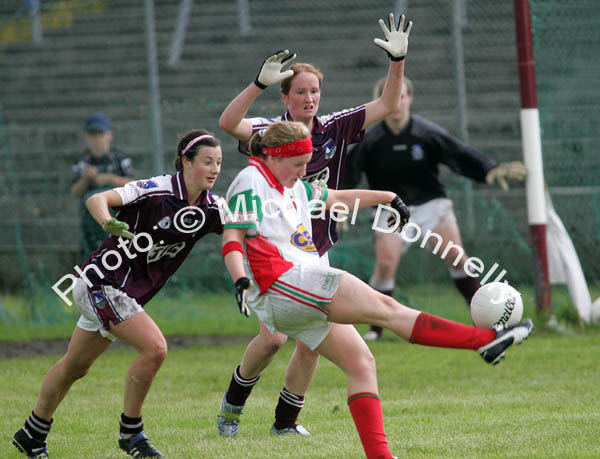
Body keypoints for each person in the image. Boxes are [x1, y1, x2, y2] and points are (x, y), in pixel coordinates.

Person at [221, 120, 533, 459]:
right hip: (282, 284)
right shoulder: (251, 181)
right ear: (276, 156)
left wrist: (386, 197)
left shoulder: (291, 185)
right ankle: (485, 341)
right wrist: (240, 279)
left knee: (362, 363)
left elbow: (335, 198)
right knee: (386, 309)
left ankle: (380, 456)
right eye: (297, 164)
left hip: (298, 284)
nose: (302, 171)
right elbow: (233, 238)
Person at [216, 12, 413, 437]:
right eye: (301, 91)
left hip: (315, 249)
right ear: (285, 96)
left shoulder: (335, 128)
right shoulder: (270, 134)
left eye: (315, 91)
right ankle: (231, 407)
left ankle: (284, 424)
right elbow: (229, 125)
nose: (309, 98)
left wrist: (397, 61)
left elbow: (388, 105)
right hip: (272, 252)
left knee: (310, 345)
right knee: (272, 340)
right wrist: (257, 84)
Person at [13, 130, 224, 458]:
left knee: (74, 368)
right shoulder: (156, 189)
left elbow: (249, 226)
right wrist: (106, 221)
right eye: (207, 162)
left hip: (122, 293)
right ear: (185, 161)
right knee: (155, 348)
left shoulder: (212, 208)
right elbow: (96, 199)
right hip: (100, 283)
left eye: (219, 163)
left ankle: (31, 433)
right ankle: (132, 435)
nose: (214, 169)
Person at [345, 76, 527, 341]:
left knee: (456, 255)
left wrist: (490, 169)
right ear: (380, 102)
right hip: (391, 211)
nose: (397, 102)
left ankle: (484, 317)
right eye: (390, 97)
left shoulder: (425, 132)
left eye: (402, 96)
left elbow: (459, 154)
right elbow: (348, 175)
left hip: (431, 204)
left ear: (409, 98)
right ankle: (376, 331)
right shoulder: (370, 140)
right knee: (385, 264)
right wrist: (338, 205)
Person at [71, 112, 135, 257]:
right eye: (93, 134)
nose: (97, 139)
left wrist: (110, 179)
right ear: (86, 137)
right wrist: (86, 178)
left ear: (109, 135)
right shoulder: (81, 162)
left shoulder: (120, 159)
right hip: (91, 221)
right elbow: (74, 192)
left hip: (118, 218)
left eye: (100, 133)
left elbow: (134, 185)